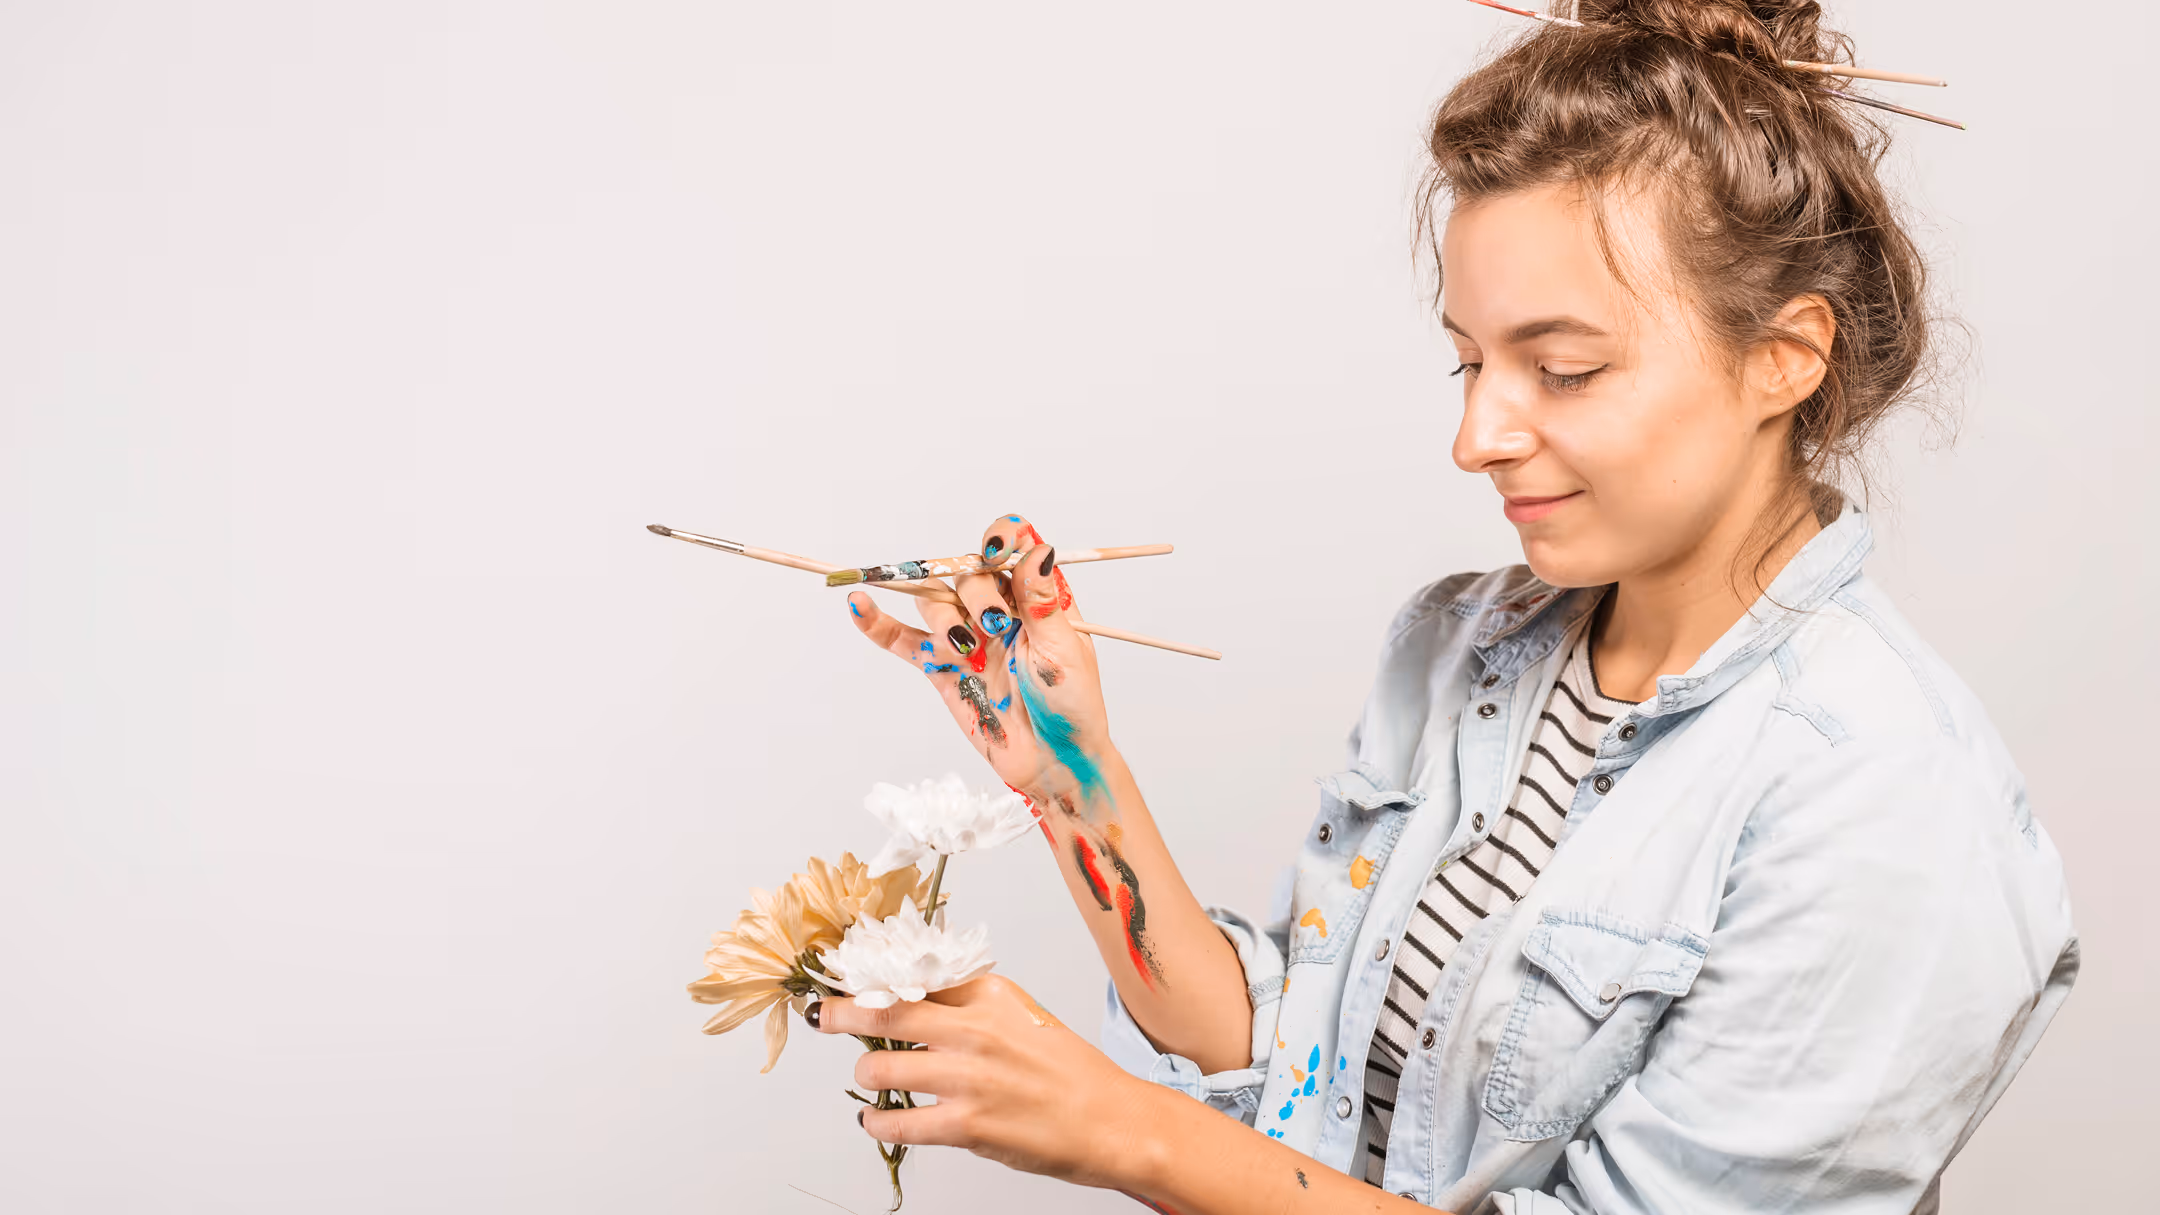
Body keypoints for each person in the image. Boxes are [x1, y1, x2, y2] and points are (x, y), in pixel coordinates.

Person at [806, 2, 2078, 1211]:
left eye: (1562, 369)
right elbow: (1299, 1072)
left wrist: (1127, 1129)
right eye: (1471, 360)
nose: (1476, 435)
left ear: (1783, 360)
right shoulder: (1463, 643)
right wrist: (1070, 775)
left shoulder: (1886, 805)